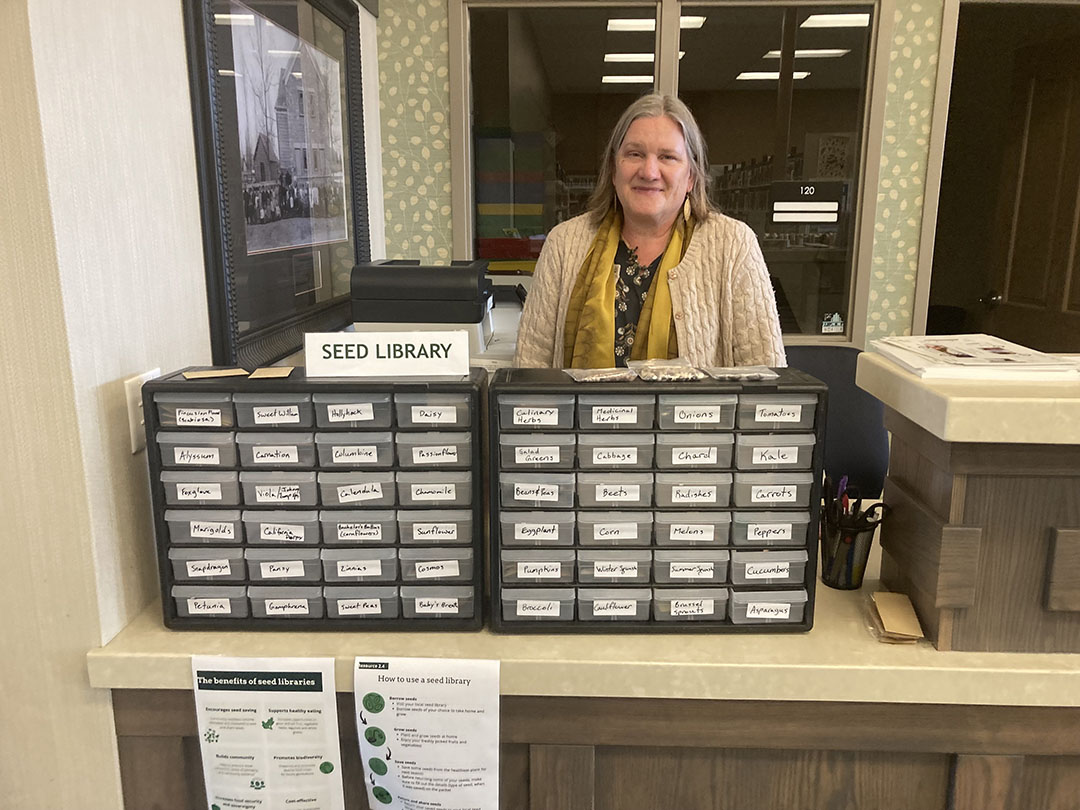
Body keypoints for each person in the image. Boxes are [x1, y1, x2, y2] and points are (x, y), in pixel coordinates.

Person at [514, 94, 786, 369]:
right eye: (635, 154)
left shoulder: (733, 245)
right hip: (582, 414)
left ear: (691, 176)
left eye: (667, 157)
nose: (649, 171)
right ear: (613, 168)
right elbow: (529, 369)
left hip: (694, 415)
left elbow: (767, 378)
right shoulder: (563, 244)